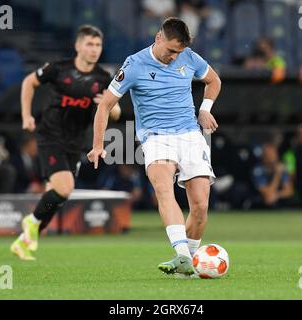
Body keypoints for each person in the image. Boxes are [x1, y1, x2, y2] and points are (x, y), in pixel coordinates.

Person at [88, 17, 221, 277]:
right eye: (171, 50)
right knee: (163, 187)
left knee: (200, 205)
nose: (174, 57)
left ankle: (187, 265)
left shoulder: (189, 57)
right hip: (156, 137)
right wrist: (97, 145)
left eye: (178, 52)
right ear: (158, 38)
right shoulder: (134, 64)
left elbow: (214, 81)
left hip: (190, 135)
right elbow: (105, 105)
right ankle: (181, 253)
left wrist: (205, 109)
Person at [10, 25, 121, 260]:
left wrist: (108, 105)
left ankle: (24, 241)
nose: (94, 50)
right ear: (78, 46)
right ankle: (30, 221)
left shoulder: (102, 78)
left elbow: (117, 112)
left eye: (98, 45)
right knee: (64, 187)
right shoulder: (58, 69)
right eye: (89, 44)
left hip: (75, 142)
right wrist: (26, 115)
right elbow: (29, 82)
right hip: (50, 136)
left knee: (57, 195)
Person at [251, 143, 294, 208]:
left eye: (274, 153)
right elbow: (268, 192)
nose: (273, 156)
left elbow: (289, 191)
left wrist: (277, 195)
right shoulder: (258, 170)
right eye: (269, 154)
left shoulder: (281, 167)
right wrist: (277, 174)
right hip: (262, 201)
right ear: (264, 156)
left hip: (277, 198)